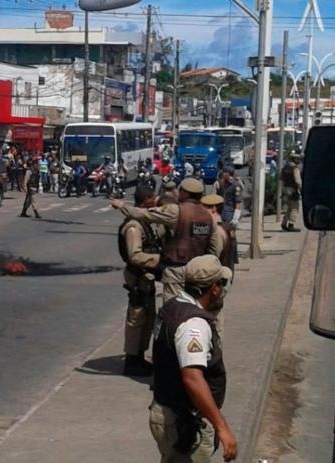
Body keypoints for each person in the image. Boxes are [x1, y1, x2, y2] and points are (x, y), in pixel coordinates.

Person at [150, 255, 237, 463]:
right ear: (214, 288)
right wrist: (222, 427)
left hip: (167, 411)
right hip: (182, 421)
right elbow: (192, 378)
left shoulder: (172, 307)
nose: (224, 290)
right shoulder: (194, 325)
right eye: (222, 284)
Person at [112, 178, 222, 305]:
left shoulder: (176, 210)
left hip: (176, 271)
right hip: (199, 271)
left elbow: (144, 214)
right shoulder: (209, 217)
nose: (178, 193)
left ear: (186, 193)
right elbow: (215, 249)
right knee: (196, 307)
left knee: (173, 310)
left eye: (181, 191)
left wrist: (122, 206)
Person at [118, 186, 165, 376]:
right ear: (145, 200)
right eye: (152, 197)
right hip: (138, 277)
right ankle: (132, 360)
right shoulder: (134, 227)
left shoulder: (144, 221)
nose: (155, 199)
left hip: (147, 277)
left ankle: (139, 355)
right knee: (136, 318)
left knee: (148, 318)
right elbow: (135, 256)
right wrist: (161, 261)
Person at [200, 194, 237, 339]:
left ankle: (214, 355)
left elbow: (212, 258)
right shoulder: (227, 227)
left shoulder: (216, 230)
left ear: (213, 209)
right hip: (224, 277)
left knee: (213, 321)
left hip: (215, 280)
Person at [280, 151, 302, 232]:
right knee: (294, 208)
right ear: (294, 159)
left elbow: (281, 179)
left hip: (285, 190)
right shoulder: (295, 168)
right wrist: (301, 189)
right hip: (293, 190)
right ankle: (291, 225)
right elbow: (298, 181)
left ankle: (284, 223)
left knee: (288, 208)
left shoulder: (284, 168)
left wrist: (282, 191)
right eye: (297, 159)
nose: (298, 160)